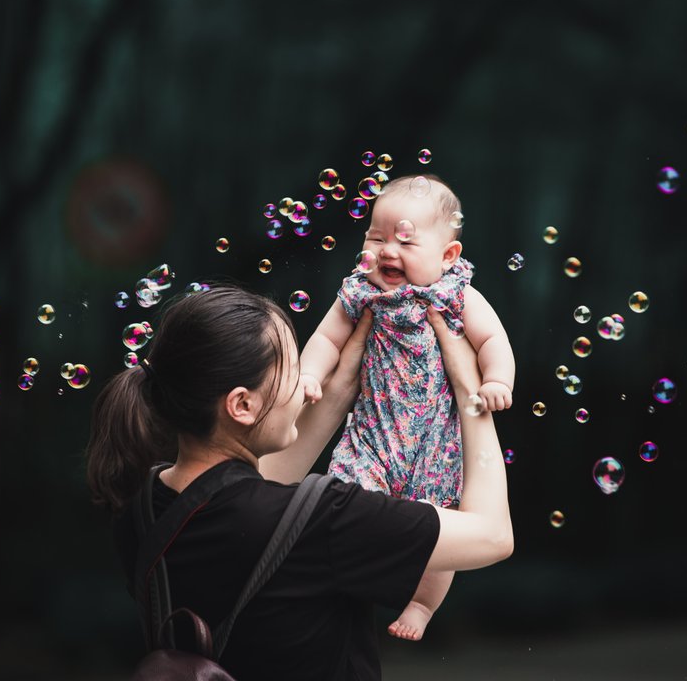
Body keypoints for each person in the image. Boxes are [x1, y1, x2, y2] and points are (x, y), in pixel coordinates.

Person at [86, 285, 512, 680]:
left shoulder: (140, 512)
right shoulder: (326, 522)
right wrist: (468, 393)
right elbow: (493, 537)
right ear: (242, 404)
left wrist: (345, 381)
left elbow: (246, 504)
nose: (306, 388)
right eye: (293, 370)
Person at [297, 173, 515, 640]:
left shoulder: (456, 294)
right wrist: (310, 375)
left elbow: (493, 339)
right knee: (349, 503)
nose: (387, 251)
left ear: (448, 255)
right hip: (372, 438)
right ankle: (350, 581)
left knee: (442, 526)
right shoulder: (361, 290)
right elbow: (326, 339)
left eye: (405, 242)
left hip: (436, 447)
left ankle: (422, 603)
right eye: (376, 237)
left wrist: (497, 379)